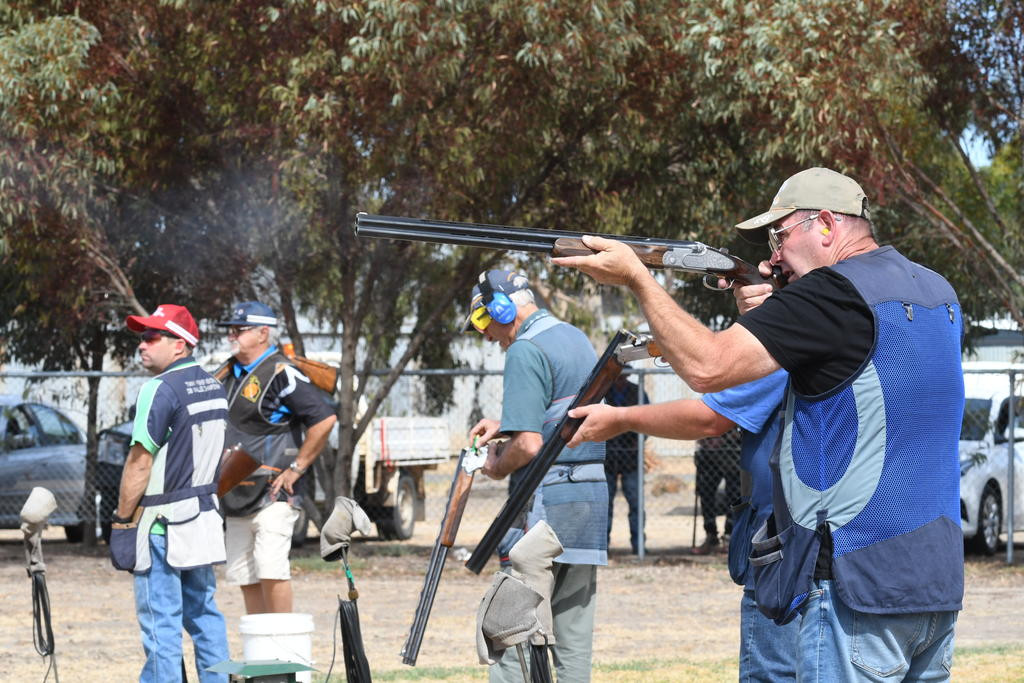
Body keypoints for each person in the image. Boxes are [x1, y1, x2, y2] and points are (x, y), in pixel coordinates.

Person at [554, 167, 964, 680]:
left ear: (826, 225)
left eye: (780, 235)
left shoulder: (832, 294)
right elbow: (853, 359)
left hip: (854, 583)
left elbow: (707, 367)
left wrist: (638, 277)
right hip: (935, 583)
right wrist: (775, 313)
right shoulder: (936, 291)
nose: (772, 255)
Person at [568, 371, 799, 681]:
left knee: (773, 671)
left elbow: (709, 417)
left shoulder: (775, 353)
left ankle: (641, 543)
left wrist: (622, 419)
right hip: (785, 537)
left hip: (779, 549)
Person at [465, 269, 607, 683]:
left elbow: (528, 446)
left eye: (482, 322)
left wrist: (494, 465)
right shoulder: (576, 337)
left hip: (545, 507)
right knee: (573, 639)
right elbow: (560, 418)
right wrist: (507, 422)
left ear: (501, 308)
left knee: (510, 630)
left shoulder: (525, 349)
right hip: (589, 503)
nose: (487, 336)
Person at [113, 304, 229, 683]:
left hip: (162, 524)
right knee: (204, 614)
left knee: (161, 621)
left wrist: (122, 519)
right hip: (203, 520)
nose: (142, 345)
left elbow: (139, 462)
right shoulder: (214, 386)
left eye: (152, 337)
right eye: (142, 337)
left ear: (179, 345)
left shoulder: (158, 389)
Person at [216, 301, 337, 614]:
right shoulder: (227, 372)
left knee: (272, 570)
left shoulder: (283, 372)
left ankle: (282, 647)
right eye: (231, 330)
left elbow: (324, 420)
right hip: (236, 491)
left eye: (239, 330)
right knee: (245, 575)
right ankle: (261, 654)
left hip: (274, 491)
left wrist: (297, 468)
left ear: (262, 333)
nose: (232, 335)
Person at [602, 373, 644, 554]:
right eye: (617, 377)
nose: (620, 380)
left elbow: (648, 418)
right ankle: (603, 546)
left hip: (631, 457)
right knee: (605, 503)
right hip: (608, 456)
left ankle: (638, 544)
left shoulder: (637, 392)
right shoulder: (603, 392)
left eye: (623, 377)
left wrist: (638, 441)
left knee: (635, 503)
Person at [691, 426, 741, 555]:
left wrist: (725, 438)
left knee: (735, 493)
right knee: (705, 490)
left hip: (732, 448)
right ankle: (711, 535)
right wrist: (703, 438)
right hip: (708, 450)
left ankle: (730, 536)